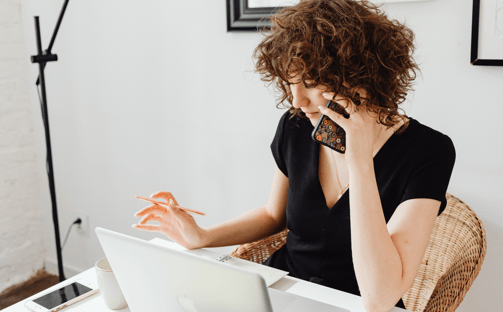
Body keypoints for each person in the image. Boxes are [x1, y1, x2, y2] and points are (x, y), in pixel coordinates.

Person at [132, 0, 456, 311]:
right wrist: (201, 237)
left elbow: (379, 297)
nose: (297, 100)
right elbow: (274, 216)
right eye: (290, 82)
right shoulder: (296, 125)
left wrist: (359, 163)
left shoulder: (428, 152)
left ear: (362, 76)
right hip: (283, 291)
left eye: (312, 82)